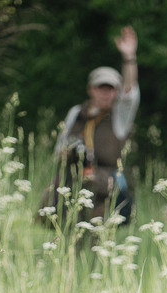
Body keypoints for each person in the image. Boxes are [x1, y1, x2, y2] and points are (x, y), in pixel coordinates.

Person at [38, 26, 139, 224]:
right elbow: (59, 149)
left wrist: (129, 58)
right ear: (90, 89)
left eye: (111, 89)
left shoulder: (119, 117)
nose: (106, 93)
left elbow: (130, 93)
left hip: (105, 188)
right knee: (68, 233)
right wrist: (73, 152)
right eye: (101, 88)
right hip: (73, 184)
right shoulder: (77, 113)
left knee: (97, 237)